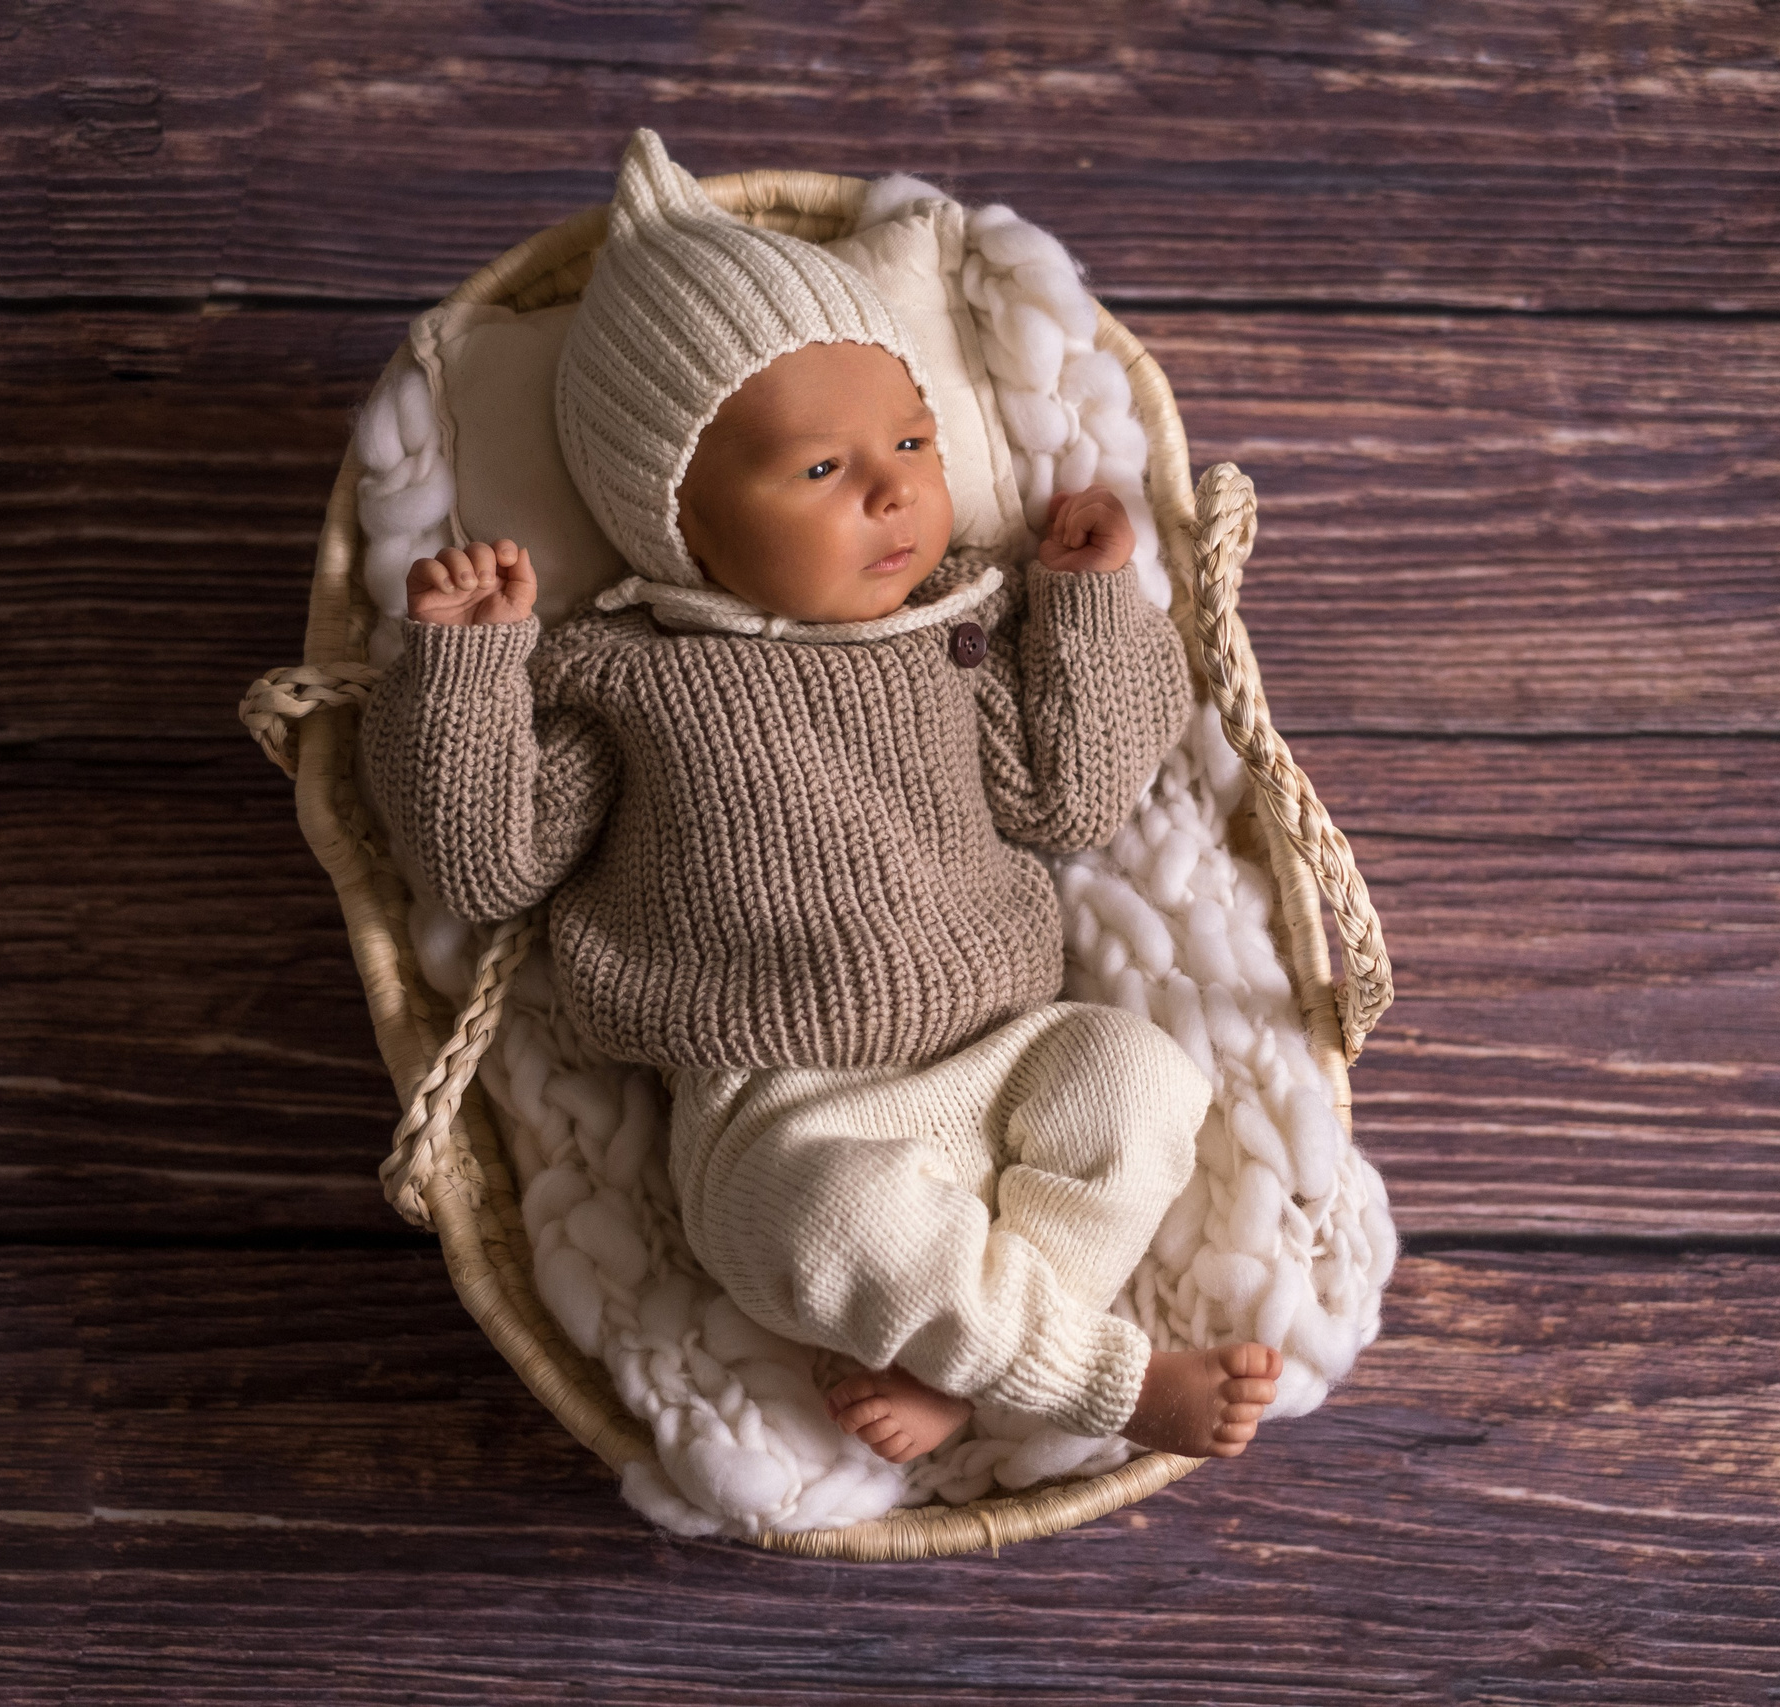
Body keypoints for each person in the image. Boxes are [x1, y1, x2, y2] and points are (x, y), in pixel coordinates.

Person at [363, 128, 1278, 1466]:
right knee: (836, 1226)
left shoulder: (959, 631)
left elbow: (1077, 799)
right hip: (783, 1112)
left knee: (1140, 1079)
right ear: (680, 519)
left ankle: (972, 1353)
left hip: (1004, 1051)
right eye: (821, 469)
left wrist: (1084, 604)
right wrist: (464, 669)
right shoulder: (629, 679)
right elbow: (483, 866)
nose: (897, 486)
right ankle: (1105, 1380)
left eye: (911, 438)